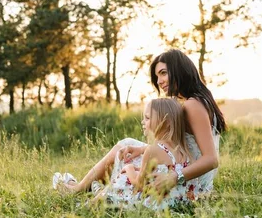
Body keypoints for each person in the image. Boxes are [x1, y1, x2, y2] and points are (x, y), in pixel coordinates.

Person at [56, 48, 226, 199]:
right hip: (187, 171)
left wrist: (174, 177)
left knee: (125, 146)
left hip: (192, 181)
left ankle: (80, 189)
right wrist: (142, 149)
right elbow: (181, 147)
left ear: (179, 71)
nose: (159, 81)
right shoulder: (196, 100)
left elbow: (211, 159)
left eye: (163, 73)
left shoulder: (193, 104)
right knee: (130, 149)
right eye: (157, 76)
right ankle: (91, 188)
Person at [92, 97, 197, 209]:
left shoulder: (152, 151)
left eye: (147, 118)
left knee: (123, 177)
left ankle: (100, 196)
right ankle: (102, 191)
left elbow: (139, 185)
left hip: (155, 205)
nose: (143, 122)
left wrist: (129, 168)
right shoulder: (184, 150)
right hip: (177, 203)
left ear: (165, 123)